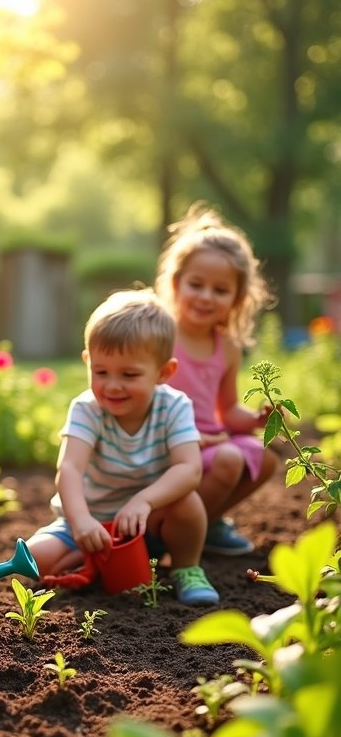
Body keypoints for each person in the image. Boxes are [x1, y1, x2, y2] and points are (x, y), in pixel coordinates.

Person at [26, 289, 219, 607]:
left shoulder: (174, 407)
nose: (112, 385)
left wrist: (144, 500)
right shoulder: (87, 409)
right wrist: (81, 522)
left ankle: (186, 568)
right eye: (101, 372)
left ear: (163, 373)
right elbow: (70, 469)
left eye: (129, 375)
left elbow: (189, 468)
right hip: (91, 521)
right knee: (35, 558)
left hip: (147, 521)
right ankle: (99, 561)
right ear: (87, 361)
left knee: (187, 503)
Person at [155, 203, 276, 555]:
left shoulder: (229, 347)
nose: (206, 296)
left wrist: (257, 419)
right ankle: (166, 536)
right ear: (177, 283)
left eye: (220, 290)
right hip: (167, 443)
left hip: (211, 440)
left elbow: (227, 411)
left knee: (265, 457)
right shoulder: (161, 333)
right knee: (229, 459)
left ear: (237, 298)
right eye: (197, 284)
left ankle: (203, 525)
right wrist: (197, 440)